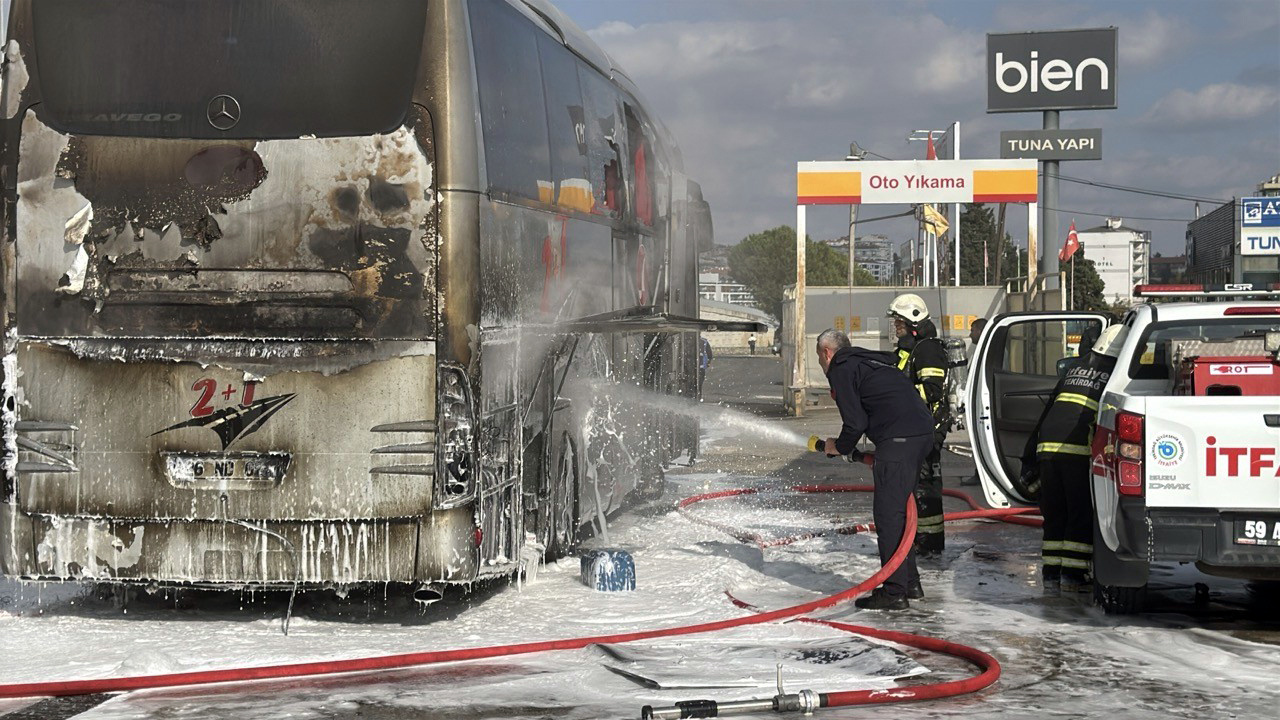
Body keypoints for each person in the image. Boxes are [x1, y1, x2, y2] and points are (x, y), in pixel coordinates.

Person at [817, 329, 936, 610]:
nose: (823, 365)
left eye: (820, 358)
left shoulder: (842, 368)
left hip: (898, 440)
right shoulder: (872, 362)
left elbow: (855, 422)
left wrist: (840, 447)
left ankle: (894, 593)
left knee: (889, 516)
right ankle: (910, 583)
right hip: (920, 435)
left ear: (827, 353)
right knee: (901, 512)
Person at [1025, 324, 1127, 594]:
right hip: (1076, 449)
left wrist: (1029, 456)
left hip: (1048, 445)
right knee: (1079, 512)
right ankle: (1073, 573)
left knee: (1055, 512)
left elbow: (1049, 408)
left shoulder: (1076, 368)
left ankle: (1050, 574)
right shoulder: (1115, 374)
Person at [886, 294, 950, 556]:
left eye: (899, 320)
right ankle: (917, 539)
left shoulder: (928, 349)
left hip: (927, 431)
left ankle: (930, 543)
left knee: (925, 488)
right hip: (910, 430)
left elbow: (932, 390)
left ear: (913, 318)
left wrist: (897, 394)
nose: (895, 325)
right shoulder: (909, 348)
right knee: (913, 488)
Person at [959, 318, 989, 487]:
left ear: (980, 330)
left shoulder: (986, 351)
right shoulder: (982, 350)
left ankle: (981, 475)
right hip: (977, 404)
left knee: (981, 441)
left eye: (972, 330)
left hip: (983, 406)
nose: (970, 335)